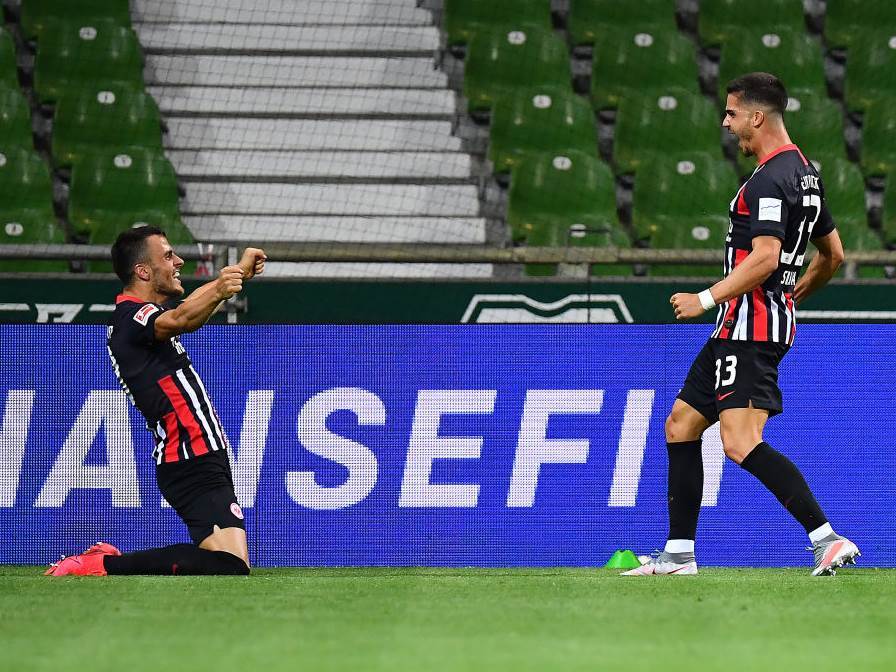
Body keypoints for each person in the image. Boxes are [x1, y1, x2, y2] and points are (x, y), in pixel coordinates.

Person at [624, 72, 859, 577]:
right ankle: (679, 554)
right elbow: (833, 255)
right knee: (681, 425)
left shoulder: (770, 179)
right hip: (740, 327)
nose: (727, 123)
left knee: (739, 442)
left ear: (757, 115)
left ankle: (827, 538)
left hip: (748, 331)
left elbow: (767, 257)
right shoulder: (806, 175)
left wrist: (706, 297)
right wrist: (792, 298)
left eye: (732, 113)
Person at [45, 227, 266, 576]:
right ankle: (102, 564)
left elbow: (185, 311)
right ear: (143, 271)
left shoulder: (144, 317)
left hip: (200, 452)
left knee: (227, 562)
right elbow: (183, 317)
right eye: (167, 256)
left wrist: (236, 275)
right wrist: (223, 286)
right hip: (189, 454)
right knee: (231, 565)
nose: (178, 261)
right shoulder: (130, 318)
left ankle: (105, 559)